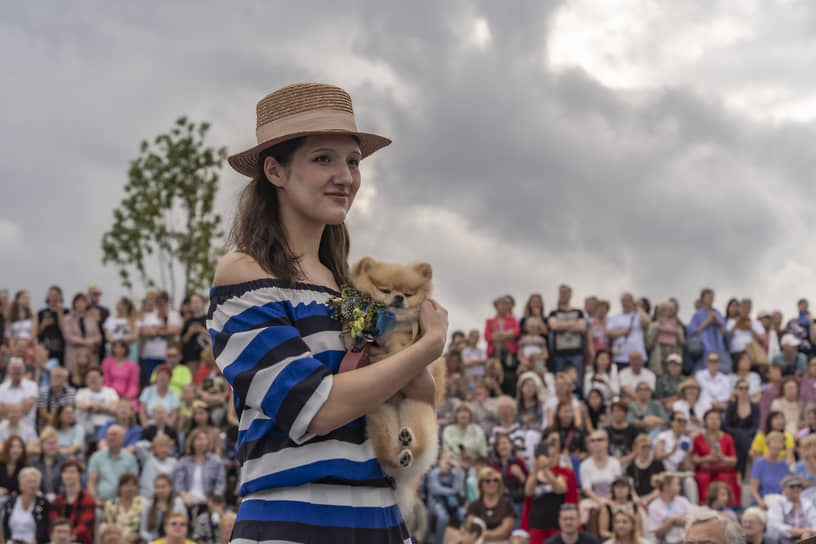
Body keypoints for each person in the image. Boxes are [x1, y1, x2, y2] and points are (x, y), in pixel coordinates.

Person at [207, 83, 448, 542]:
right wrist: (430, 345)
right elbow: (314, 407)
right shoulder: (243, 273)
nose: (346, 176)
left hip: (381, 519)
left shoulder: (349, 288)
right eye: (324, 159)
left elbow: (418, 398)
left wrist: (411, 353)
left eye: (353, 161)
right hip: (296, 519)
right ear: (275, 171)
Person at [522, 446, 579, 544]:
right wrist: (536, 470)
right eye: (548, 456)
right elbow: (528, 492)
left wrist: (545, 470)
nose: (550, 459)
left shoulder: (563, 473)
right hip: (537, 524)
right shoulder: (534, 475)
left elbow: (560, 489)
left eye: (553, 455)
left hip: (555, 523)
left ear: (558, 457)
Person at [691, 410, 740, 507]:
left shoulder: (727, 437)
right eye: (711, 418)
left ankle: (725, 505)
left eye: (717, 419)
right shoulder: (697, 438)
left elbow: (734, 460)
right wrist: (707, 458)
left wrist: (723, 458)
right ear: (705, 421)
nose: (714, 421)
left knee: (724, 477)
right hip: (705, 470)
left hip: (723, 469)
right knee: (703, 478)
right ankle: (705, 505)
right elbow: (695, 460)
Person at [138, 290, 182, 387]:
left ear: (166, 302)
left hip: (168, 355)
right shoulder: (149, 316)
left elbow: (175, 330)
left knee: (169, 380)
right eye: (158, 302)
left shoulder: (174, 315)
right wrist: (163, 329)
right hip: (150, 355)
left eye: (162, 302)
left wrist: (154, 330)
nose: (160, 305)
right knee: (151, 381)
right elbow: (143, 332)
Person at [579, 430, 622, 525]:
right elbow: (587, 489)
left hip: (614, 498)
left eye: (599, 440)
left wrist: (609, 500)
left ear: (607, 442)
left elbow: (618, 486)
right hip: (593, 500)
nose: (596, 443)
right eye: (592, 441)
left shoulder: (615, 463)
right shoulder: (584, 465)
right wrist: (600, 501)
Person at [87, 425, 140, 502]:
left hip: (124, 502)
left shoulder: (130, 458)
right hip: (101, 501)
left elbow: (134, 483)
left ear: (122, 439)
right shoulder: (96, 457)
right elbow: (91, 482)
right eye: (108, 434)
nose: (110, 437)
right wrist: (95, 499)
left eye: (114, 435)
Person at [49, 459, 96, 544]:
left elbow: (84, 527)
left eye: (72, 472)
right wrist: (63, 536)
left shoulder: (88, 500)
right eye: (65, 472)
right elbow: (54, 525)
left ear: (80, 475)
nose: (68, 475)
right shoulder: (56, 501)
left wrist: (66, 536)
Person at [655, 411, 697, 503]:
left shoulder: (686, 440)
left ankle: (694, 506)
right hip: (665, 472)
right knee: (673, 484)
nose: (682, 423)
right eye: (679, 420)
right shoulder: (663, 436)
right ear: (672, 422)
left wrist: (685, 466)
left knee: (690, 481)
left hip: (679, 473)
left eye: (684, 421)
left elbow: (687, 464)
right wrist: (671, 451)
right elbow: (658, 456)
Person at [1, 467, 50, 544]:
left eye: (35, 482)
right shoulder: (11, 502)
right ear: (21, 484)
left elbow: (44, 528)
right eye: (29, 482)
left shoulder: (43, 502)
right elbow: (5, 527)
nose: (33, 485)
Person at [722, 378, 759, 479]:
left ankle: (739, 474)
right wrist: (739, 433)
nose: (744, 391)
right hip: (733, 436)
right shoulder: (731, 406)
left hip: (749, 436)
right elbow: (726, 426)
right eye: (741, 388)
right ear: (736, 390)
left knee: (741, 440)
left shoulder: (754, 406)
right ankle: (748, 455)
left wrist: (744, 434)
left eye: (746, 388)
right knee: (739, 436)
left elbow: (755, 426)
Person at [427, 450, 467, 544]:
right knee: (443, 517)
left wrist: (458, 470)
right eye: (446, 460)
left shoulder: (455, 473)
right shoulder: (434, 473)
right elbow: (435, 489)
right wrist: (452, 491)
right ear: (439, 462)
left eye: (451, 461)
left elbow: (459, 488)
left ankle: (464, 541)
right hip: (436, 503)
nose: (449, 464)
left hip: (453, 504)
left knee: (464, 514)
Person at [466, 467, 516, 542]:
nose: (492, 483)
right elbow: (472, 530)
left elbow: (505, 532)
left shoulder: (506, 504)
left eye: (495, 480)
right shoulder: (474, 505)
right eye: (488, 481)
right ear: (481, 484)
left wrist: (487, 534)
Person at [548, 285, 587, 378]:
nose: (563, 295)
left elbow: (582, 328)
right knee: (560, 379)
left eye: (565, 292)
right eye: (561, 293)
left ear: (570, 294)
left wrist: (561, 325)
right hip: (559, 354)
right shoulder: (553, 313)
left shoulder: (579, 312)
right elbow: (554, 326)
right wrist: (573, 324)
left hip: (576, 353)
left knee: (577, 380)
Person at [687, 288, 730, 372]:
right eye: (708, 297)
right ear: (703, 298)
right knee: (704, 369)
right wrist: (708, 321)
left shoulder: (718, 313)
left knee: (724, 368)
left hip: (718, 346)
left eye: (712, 297)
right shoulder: (698, 314)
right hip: (704, 347)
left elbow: (724, 332)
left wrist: (717, 321)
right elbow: (693, 332)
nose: (711, 299)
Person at [485, 295, 521, 396]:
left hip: (509, 355)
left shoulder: (512, 320)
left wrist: (499, 334)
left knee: (509, 376)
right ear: (496, 306)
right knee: (493, 375)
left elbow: (516, 332)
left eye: (505, 305)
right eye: (501, 305)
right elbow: (488, 336)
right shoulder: (490, 321)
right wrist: (507, 334)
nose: (503, 307)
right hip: (495, 354)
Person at [767, 474, 816, 543]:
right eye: (792, 486)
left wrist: (809, 533)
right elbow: (774, 526)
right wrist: (799, 531)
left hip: (806, 540)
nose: (796, 489)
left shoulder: (807, 503)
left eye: (799, 486)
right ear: (784, 488)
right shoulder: (778, 504)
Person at [646, 473, 693, 544]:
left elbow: (692, 523)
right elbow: (657, 534)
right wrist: (671, 520)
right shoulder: (654, 506)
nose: (679, 487)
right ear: (666, 487)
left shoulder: (683, 501)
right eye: (676, 484)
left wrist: (681, 521)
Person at [490, 433, 529, 519]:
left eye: (504, 443)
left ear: (511, 445)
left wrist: (520, 475)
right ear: (496, 448)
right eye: (499, 444)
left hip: (517, 500)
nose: (502, 446)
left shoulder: (519, 462)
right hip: (499, 500)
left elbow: (528, 485)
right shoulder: (493, 465)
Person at [750, 430, 793, 508]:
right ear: (768, 444)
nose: (777, 445)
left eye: (780, 442)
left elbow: (787, 489)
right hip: (761, 503)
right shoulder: (759, 463)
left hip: (779, 504)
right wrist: (761, 503)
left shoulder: (785, 465)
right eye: (775, 442)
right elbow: (753, 489)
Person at [61, 293, 100, 376]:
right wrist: (85, 342)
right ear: (74, 303)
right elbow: (68, 337)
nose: (80, 304)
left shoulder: (91, 318)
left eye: (83, 302)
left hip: (90, 355)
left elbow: (99, 336)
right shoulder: (67, 318)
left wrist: (92, 341)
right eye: (78, 302)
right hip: (74, 354)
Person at [607, 293, 650, 369]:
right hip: (621, 357)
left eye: (628, 301)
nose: (625, 303)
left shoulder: (638, 316)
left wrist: (638, 308)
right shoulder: (615, 317)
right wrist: (623, 332)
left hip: (638, 356)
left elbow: (647, 322)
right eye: (623, 301)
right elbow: (609, 332)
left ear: (632, 302)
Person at [102, 473, 146, 544]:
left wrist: (136, 536)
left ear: (137, 488)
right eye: (127, 485)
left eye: (133, 485)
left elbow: (146, 528)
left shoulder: (144, 503)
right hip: (115, 540)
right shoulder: (110, 504)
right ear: (119, 487)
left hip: (137, 540)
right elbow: (109, 526)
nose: (130, 488)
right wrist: (120, 539)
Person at [646, 300, 685, 377]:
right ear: (662, 310)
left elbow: (683, 343)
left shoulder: (678, 326)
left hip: (674, 357)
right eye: (668, 309)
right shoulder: (654, 325)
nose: (671, 312)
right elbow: (648, 345)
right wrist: (656, 333)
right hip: (659, 359)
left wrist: (677, 336)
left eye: (672, 310)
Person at [598, 476, 641, 542]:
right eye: (617, 486)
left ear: (629, 490)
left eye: (623, 486)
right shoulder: (607, 507)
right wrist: (620, 537)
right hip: (613, 540)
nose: (620, 489)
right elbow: (603, 532)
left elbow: (639, 530)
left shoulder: (635, 507)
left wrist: (629, 538)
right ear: (613, 489)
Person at [0, 358, 40, 428]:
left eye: (19, 368)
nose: (17, 370)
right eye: (14, 368)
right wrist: (21, 405)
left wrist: (7, 407)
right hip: (5, 431)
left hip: (27, 430)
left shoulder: (32, 386)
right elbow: (1, 410)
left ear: (24, 370)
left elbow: (27, 408)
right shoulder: (2, 387)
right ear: (8, 370)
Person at [101, 340, 140, 409]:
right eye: (116, 347)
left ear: (126, 349)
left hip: (127, 396)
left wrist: (127, 396)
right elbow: (106, 381)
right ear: (113, 349)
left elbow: (133, 384)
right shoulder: (106, 363)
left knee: (130, 407)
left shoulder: (133, 366)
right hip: (110, 394)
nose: (119, 350)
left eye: (121, 347)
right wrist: (111, 395)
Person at [29, 427, 66, 501]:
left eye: (55, 443)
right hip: (38, 498)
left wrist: (57, 497)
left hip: (60, 499)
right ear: (41, 445)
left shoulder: (64, 461)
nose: (52, 446)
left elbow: (65, 484)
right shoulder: (33, 462)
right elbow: (31, 481)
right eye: (49, 443)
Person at [626, 433, 665, 502]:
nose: (646, 449)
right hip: (638, 500)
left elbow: (661, 486)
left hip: (655, 498)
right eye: (643, 447)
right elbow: (631, 488)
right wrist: (637, 499)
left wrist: (648, 498)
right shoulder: (631, 467)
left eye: (649, 447)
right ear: (636, 448)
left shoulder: (658, 464)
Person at [36, 367, 75, 432]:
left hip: (65, 426)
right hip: (47, 426)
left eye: (58, 376)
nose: (55, 378)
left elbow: (69, 412)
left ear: (65, 379)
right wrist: (57, 421)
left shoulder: (71, 392)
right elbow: (42, 413)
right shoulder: (43, 391)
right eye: (53, 376)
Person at [37, 286, 68, 365]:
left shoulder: (66, 312)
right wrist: (43, 325)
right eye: (51, 295)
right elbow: (36, 333)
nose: (54, 297)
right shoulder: (41, 313)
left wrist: (59, 313)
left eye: (56, 295)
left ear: (60, 297)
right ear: (48, 297)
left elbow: (65, 330)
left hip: (61, 350)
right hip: (45, 350)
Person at [179, 293, 208, 378]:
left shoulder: (209, 319)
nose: (195, 305)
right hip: (190, 355)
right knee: (192, 378)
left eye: (197, 302)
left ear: (203, 303)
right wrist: (190, 332)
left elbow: (215, 336)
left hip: (205, 355)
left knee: (203, 377)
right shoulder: (188, 321)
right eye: (193, 302)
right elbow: (183, 340)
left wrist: (201, 330)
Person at [0, 434, 30, 498]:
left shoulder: (26, 468)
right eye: (12, 446)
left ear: (23, 449)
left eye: (19, 447)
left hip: (17, 501)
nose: (16, 450)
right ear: (7, 448)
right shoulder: (1, 464)